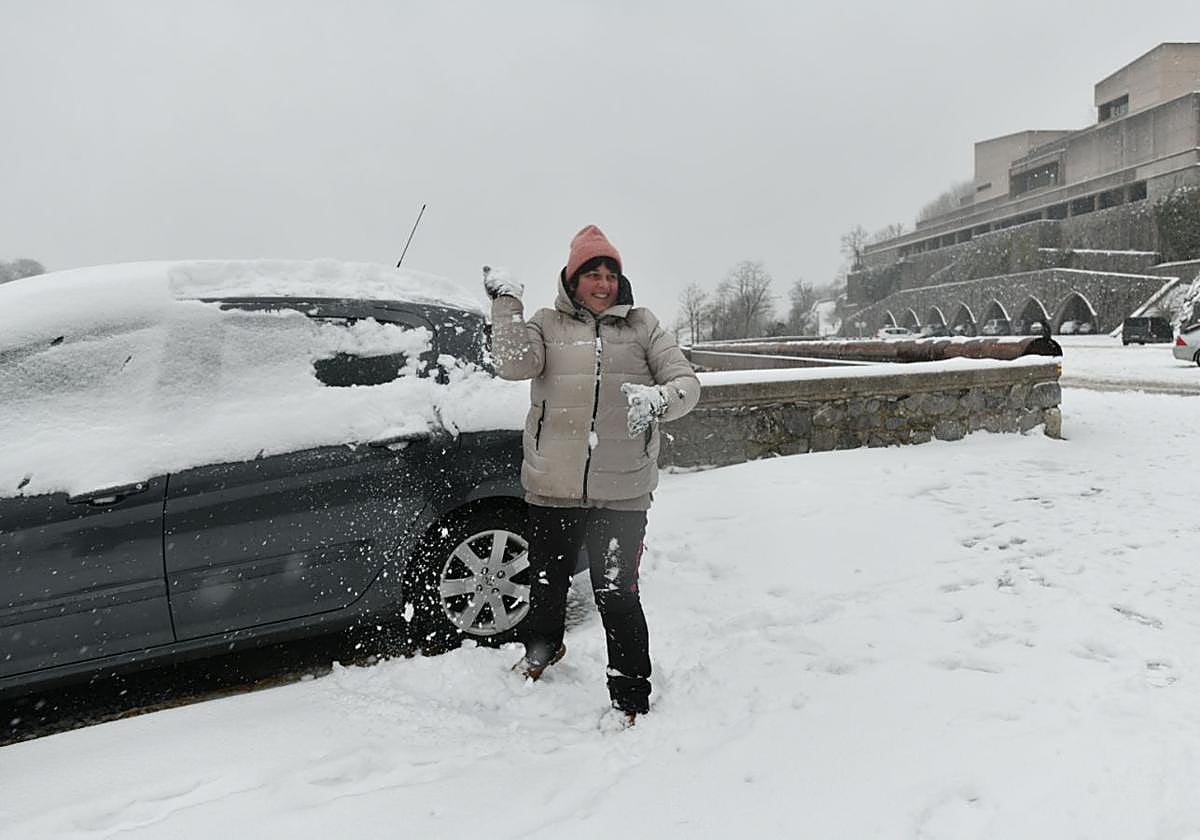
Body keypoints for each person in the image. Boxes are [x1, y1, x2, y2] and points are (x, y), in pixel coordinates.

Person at [483, 224, 700, 725]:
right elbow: (514, 366)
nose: (602, 284)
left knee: (616, 594)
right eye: (592, 274)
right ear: (572, 278)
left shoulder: (643, 326)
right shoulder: (544, 324)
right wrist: (506, 306)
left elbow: (686, 384)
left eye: (610, 274)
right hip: (552, 485)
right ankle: (542, 650)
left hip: (622, 492)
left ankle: (630, 689)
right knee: (546, 582)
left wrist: (661, 400)